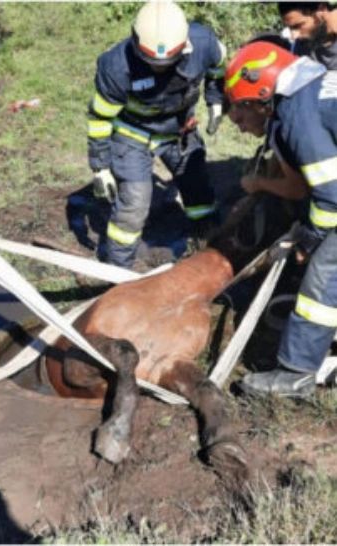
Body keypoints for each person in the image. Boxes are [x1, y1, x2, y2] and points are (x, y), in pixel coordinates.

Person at [224, 41, 337, 398]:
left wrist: (311, 239)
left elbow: (331, 195)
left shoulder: (297, 119)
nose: (241, 127)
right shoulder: (312, 93)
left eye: (241, 115)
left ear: (260, 96)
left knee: (323, 278)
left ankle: (296, 375)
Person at [86, 1, 227, 269]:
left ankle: (206, 241)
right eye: (153, 64)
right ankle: (118, 271)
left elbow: (218, 67)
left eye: (167, 63)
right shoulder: (115, 67)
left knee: (197, 186)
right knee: (134, 203)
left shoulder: (204, 43)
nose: (159, 69)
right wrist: (100, 167)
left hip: (180, 130)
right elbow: (100, 118)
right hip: (133, 134)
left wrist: (215, 100)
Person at [278, 2, 337, 68]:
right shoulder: (301, 47)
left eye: (298, 26)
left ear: (321, 10)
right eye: (290, 28)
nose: (294, 36)